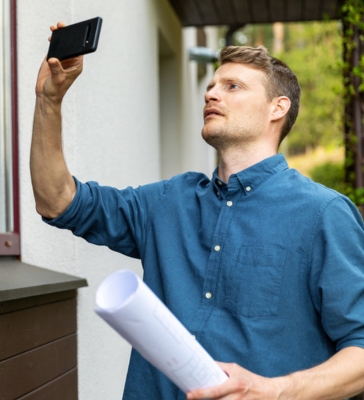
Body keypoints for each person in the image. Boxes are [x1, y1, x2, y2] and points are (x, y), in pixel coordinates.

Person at [31, 22, 364, 400]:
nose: (212, 95)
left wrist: (274, 391)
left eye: (232, 87)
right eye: (210, 87)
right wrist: (48, 101)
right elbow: (57, 200)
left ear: (278, 108)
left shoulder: (323, 213)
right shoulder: (168, 201)